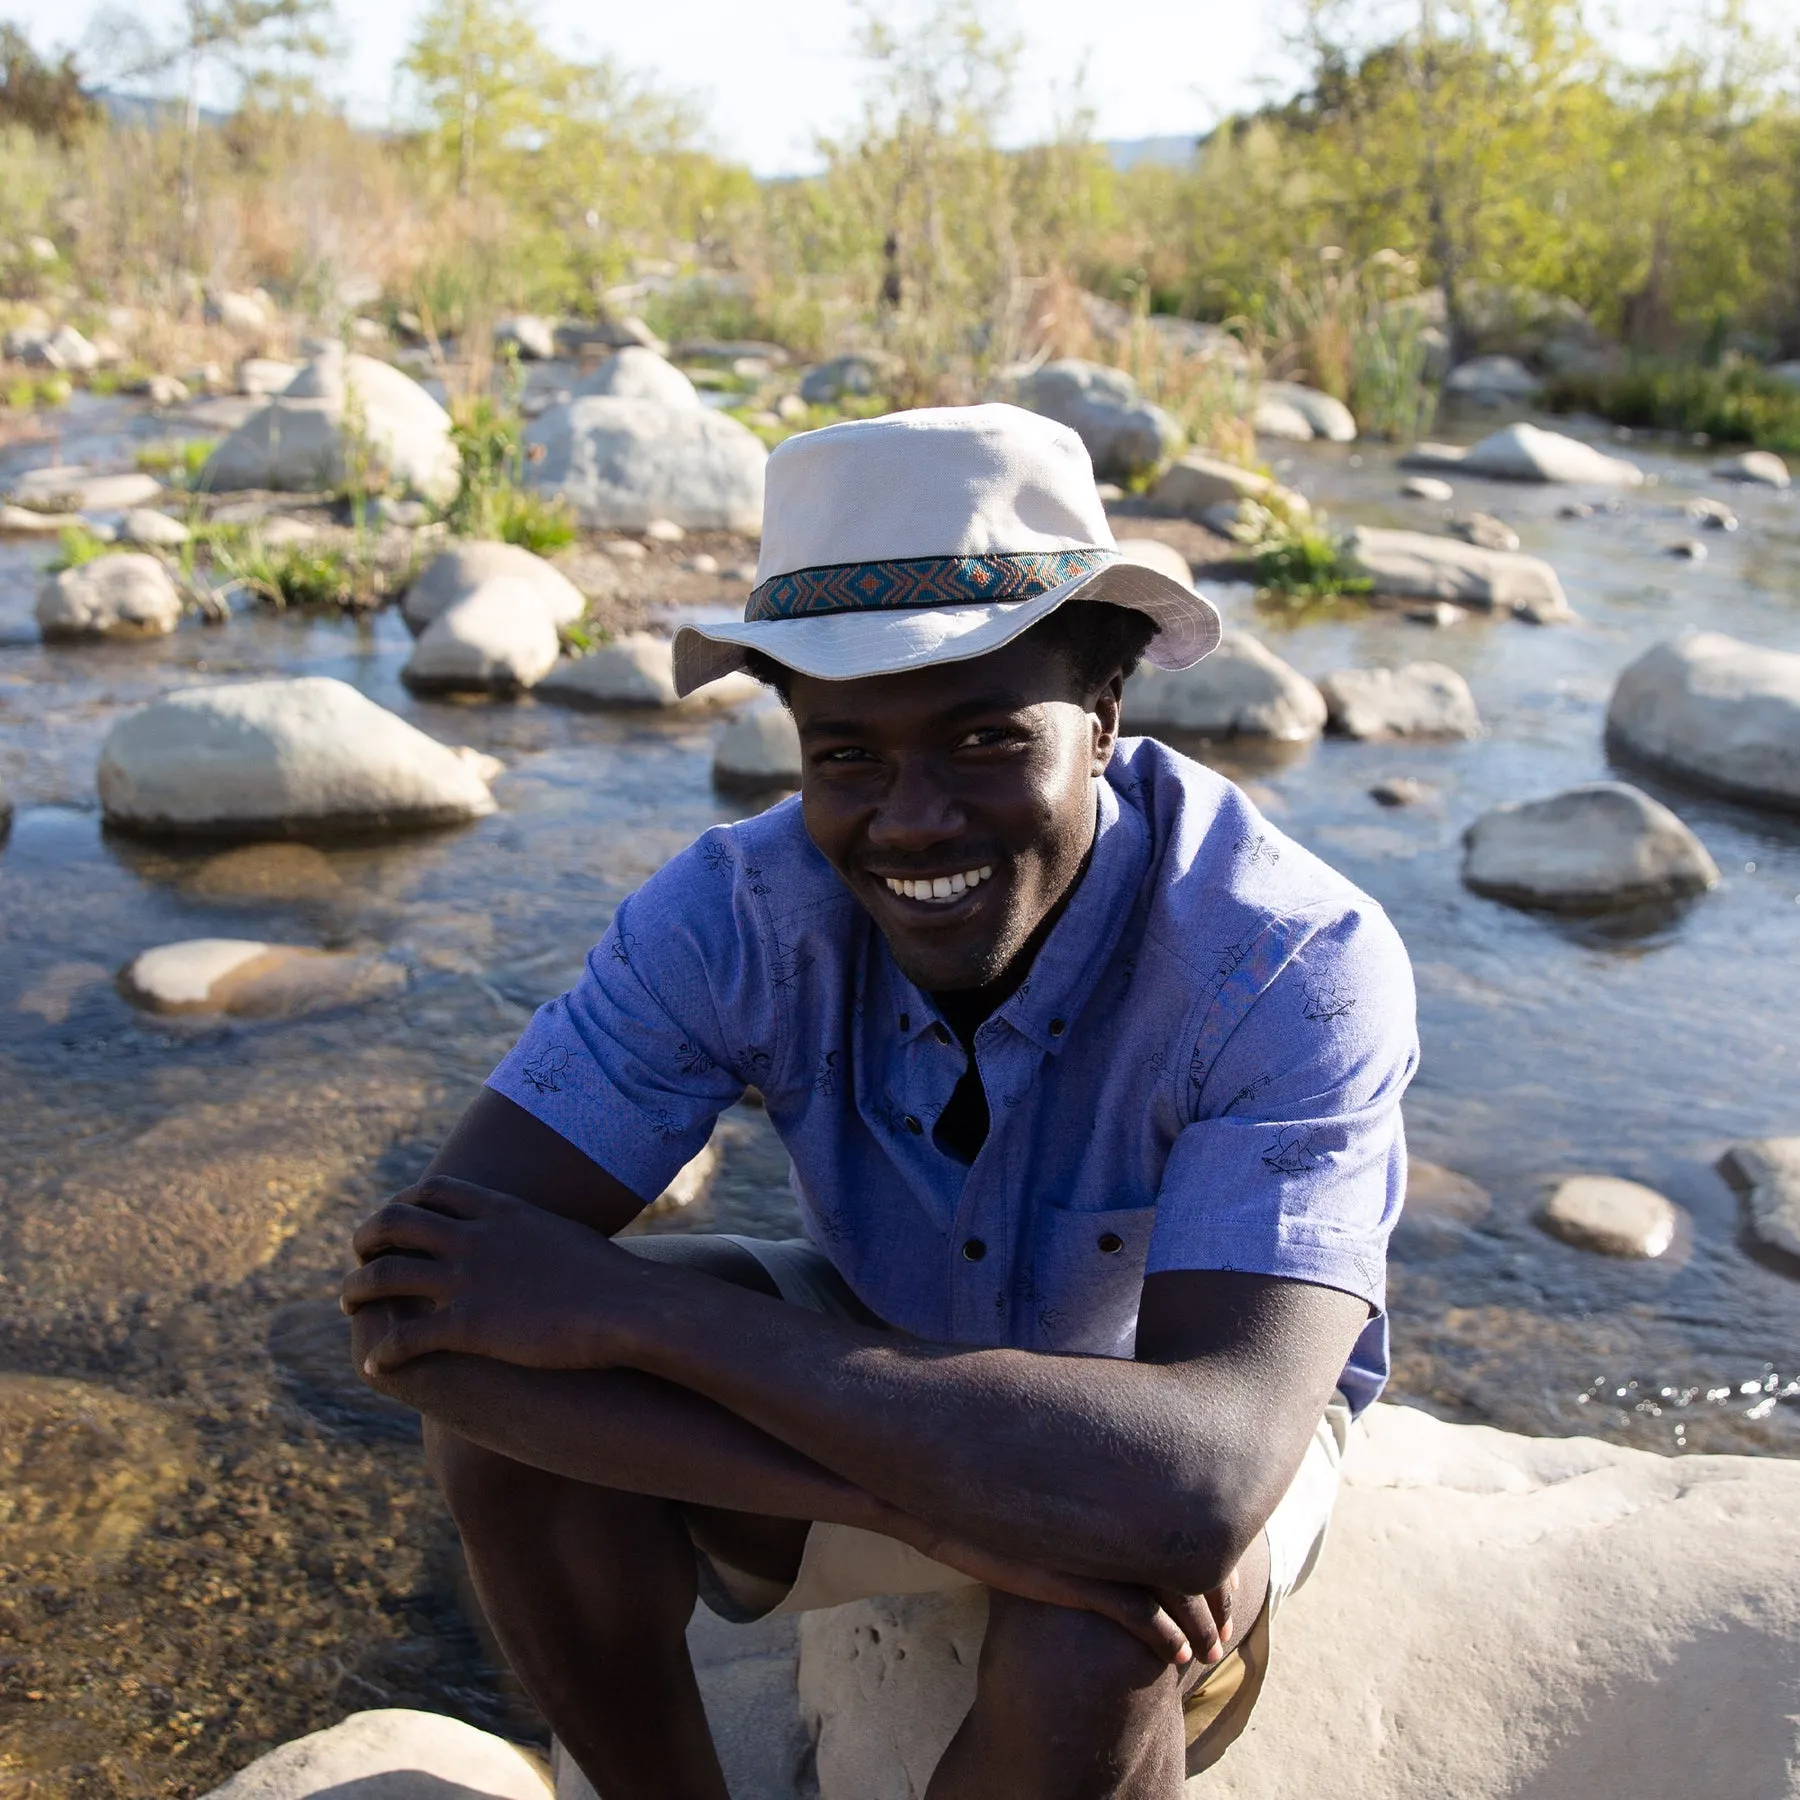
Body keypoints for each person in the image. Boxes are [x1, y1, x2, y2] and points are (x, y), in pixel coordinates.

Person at [342, 404, 1418, 1800]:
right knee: (496, 1426)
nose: (909, 820)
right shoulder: (738, 912)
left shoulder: (1284, 959)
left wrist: (638, 1310)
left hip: (1168, 1402)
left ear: (1101, 721)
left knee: (1101, 1621)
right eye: (847, 754)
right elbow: (418, 1309)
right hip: (882, 1339)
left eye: (982, 741)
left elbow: (1195, 1485)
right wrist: (928, 1507)